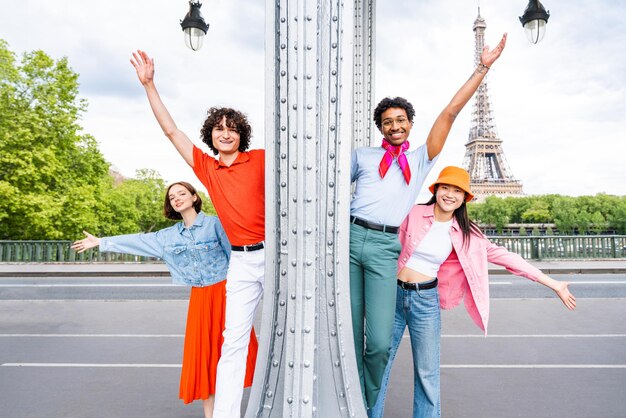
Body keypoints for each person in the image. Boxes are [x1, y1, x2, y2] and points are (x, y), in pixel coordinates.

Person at [350, 34, 508, 409]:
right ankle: (358, 410)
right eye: (387, 122)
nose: (394, 126)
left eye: (400, 120)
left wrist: (482, 68)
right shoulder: (363, 156)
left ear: (409, 124)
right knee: (350, 335)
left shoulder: (421, 159)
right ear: (380, 127)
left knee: (378, 344)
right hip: (351, 238)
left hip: (386, 248)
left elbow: (450, 113)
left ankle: (365, 399)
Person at [370, 166, 577, 418]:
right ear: (436, 190)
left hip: (425, 302)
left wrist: (552, 282)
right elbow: (382, 241)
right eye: (445, 187)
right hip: (392, 295)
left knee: (427, 373)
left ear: (465, 198)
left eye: (457, 191)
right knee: (378, 362)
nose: (450, 195)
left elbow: (505, 257)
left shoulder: (468, 233)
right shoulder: (413, 213)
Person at [130, 50, 265, 418]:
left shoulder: (263, 159)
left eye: (231, 127)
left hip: (273, 255)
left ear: (241, 134)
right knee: (232, 341)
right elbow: (171, 131)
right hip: (239, 260)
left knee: (290, 329)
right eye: (219, 128)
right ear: (211, 135)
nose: (225, 133)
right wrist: (150, 85)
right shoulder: (207, 169)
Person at [71, 182, 258, 418]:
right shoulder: (168, 236)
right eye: (172, 197)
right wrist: (101, 242)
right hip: (200, 299)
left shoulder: (214, 224)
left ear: (194, 197)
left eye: (182, 193)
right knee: (205, 365)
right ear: (170, 205)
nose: (177, 198)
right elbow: (139, 241)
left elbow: (237, 259)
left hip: (225, 295)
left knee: (229, 358)